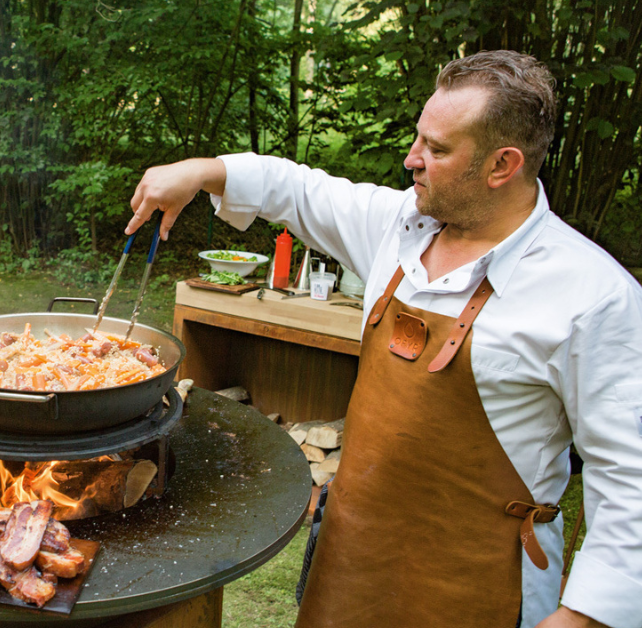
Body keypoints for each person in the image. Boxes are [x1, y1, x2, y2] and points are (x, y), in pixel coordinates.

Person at [126, 51, 642, 628]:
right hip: (354, 557)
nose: (412, 159)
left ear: (503, 165)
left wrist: (585, 617)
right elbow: (298, 190)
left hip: (479, 583)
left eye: (438, 150)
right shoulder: (401, 227)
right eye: (419, 139)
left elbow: (632, 478)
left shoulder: (595, 297)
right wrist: (201, 170)